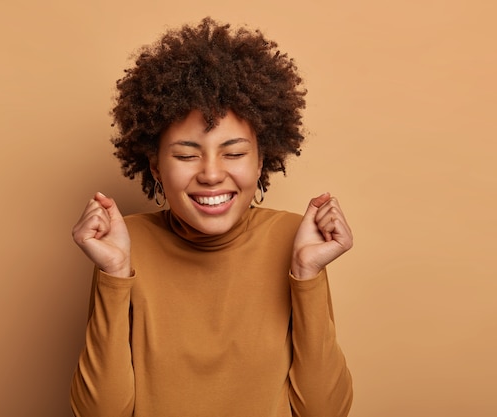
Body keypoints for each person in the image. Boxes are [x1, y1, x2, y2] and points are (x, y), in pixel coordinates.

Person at [70, 17, 353, 417]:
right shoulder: (124, 244)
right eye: (186, 155)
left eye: (234, 153)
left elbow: (326, 412)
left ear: (261, 162)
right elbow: (100, 413)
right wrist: (114, 275)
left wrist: (307, 274)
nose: (211, 173)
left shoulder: (296, 240)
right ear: (154, 166)